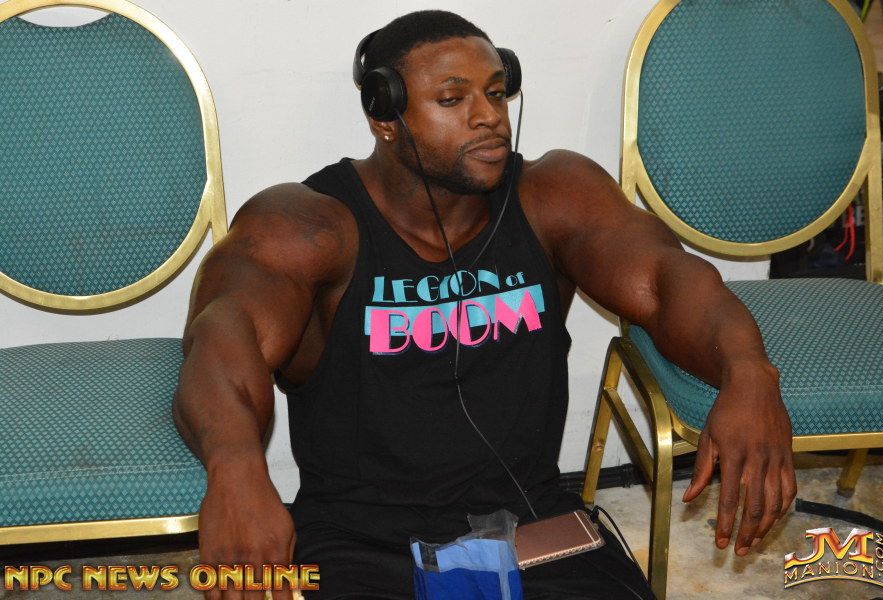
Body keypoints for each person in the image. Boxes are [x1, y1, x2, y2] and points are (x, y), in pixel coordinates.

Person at [173, 10, 796, 600]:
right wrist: (234, 464)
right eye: (453, 100)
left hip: (534, 523)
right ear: (385, 116)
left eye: (496, 93)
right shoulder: (308, 225)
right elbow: (223, 334)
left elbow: (668, 279)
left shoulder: (554, 197)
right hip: (358, 541)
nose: (489, 117)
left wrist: (748, 371)